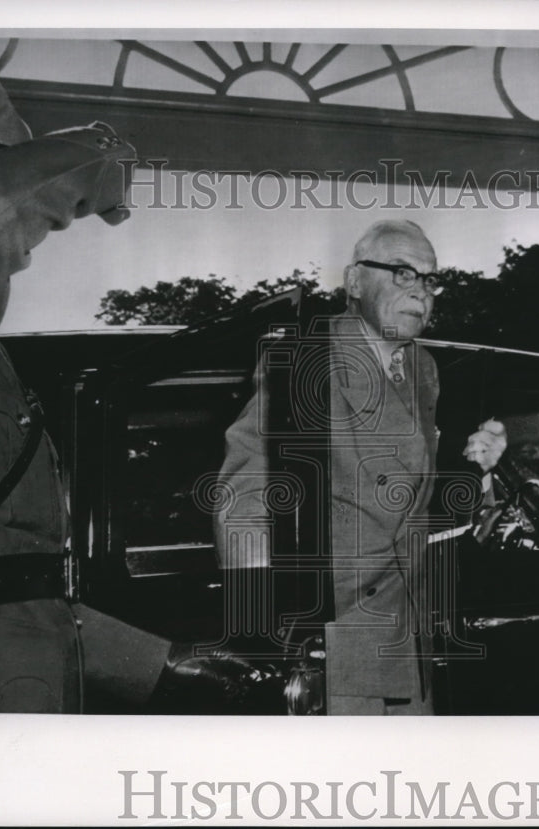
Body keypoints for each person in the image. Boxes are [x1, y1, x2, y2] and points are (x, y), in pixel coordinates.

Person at [0, 53, 256, 713]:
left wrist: (160, 662)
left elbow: (1, 587)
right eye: (39, 228)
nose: (25, 253)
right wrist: (90, 157)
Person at [216, 220, 508, 715]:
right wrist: (266, 636)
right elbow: (243, 496)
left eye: (429, 279)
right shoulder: (306, 356)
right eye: (401, 272)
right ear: (353, 282)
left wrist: (478, 472)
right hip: (331, 653)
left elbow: (408, 511)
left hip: (409, 647)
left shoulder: (423, 368)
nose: (421, 290)